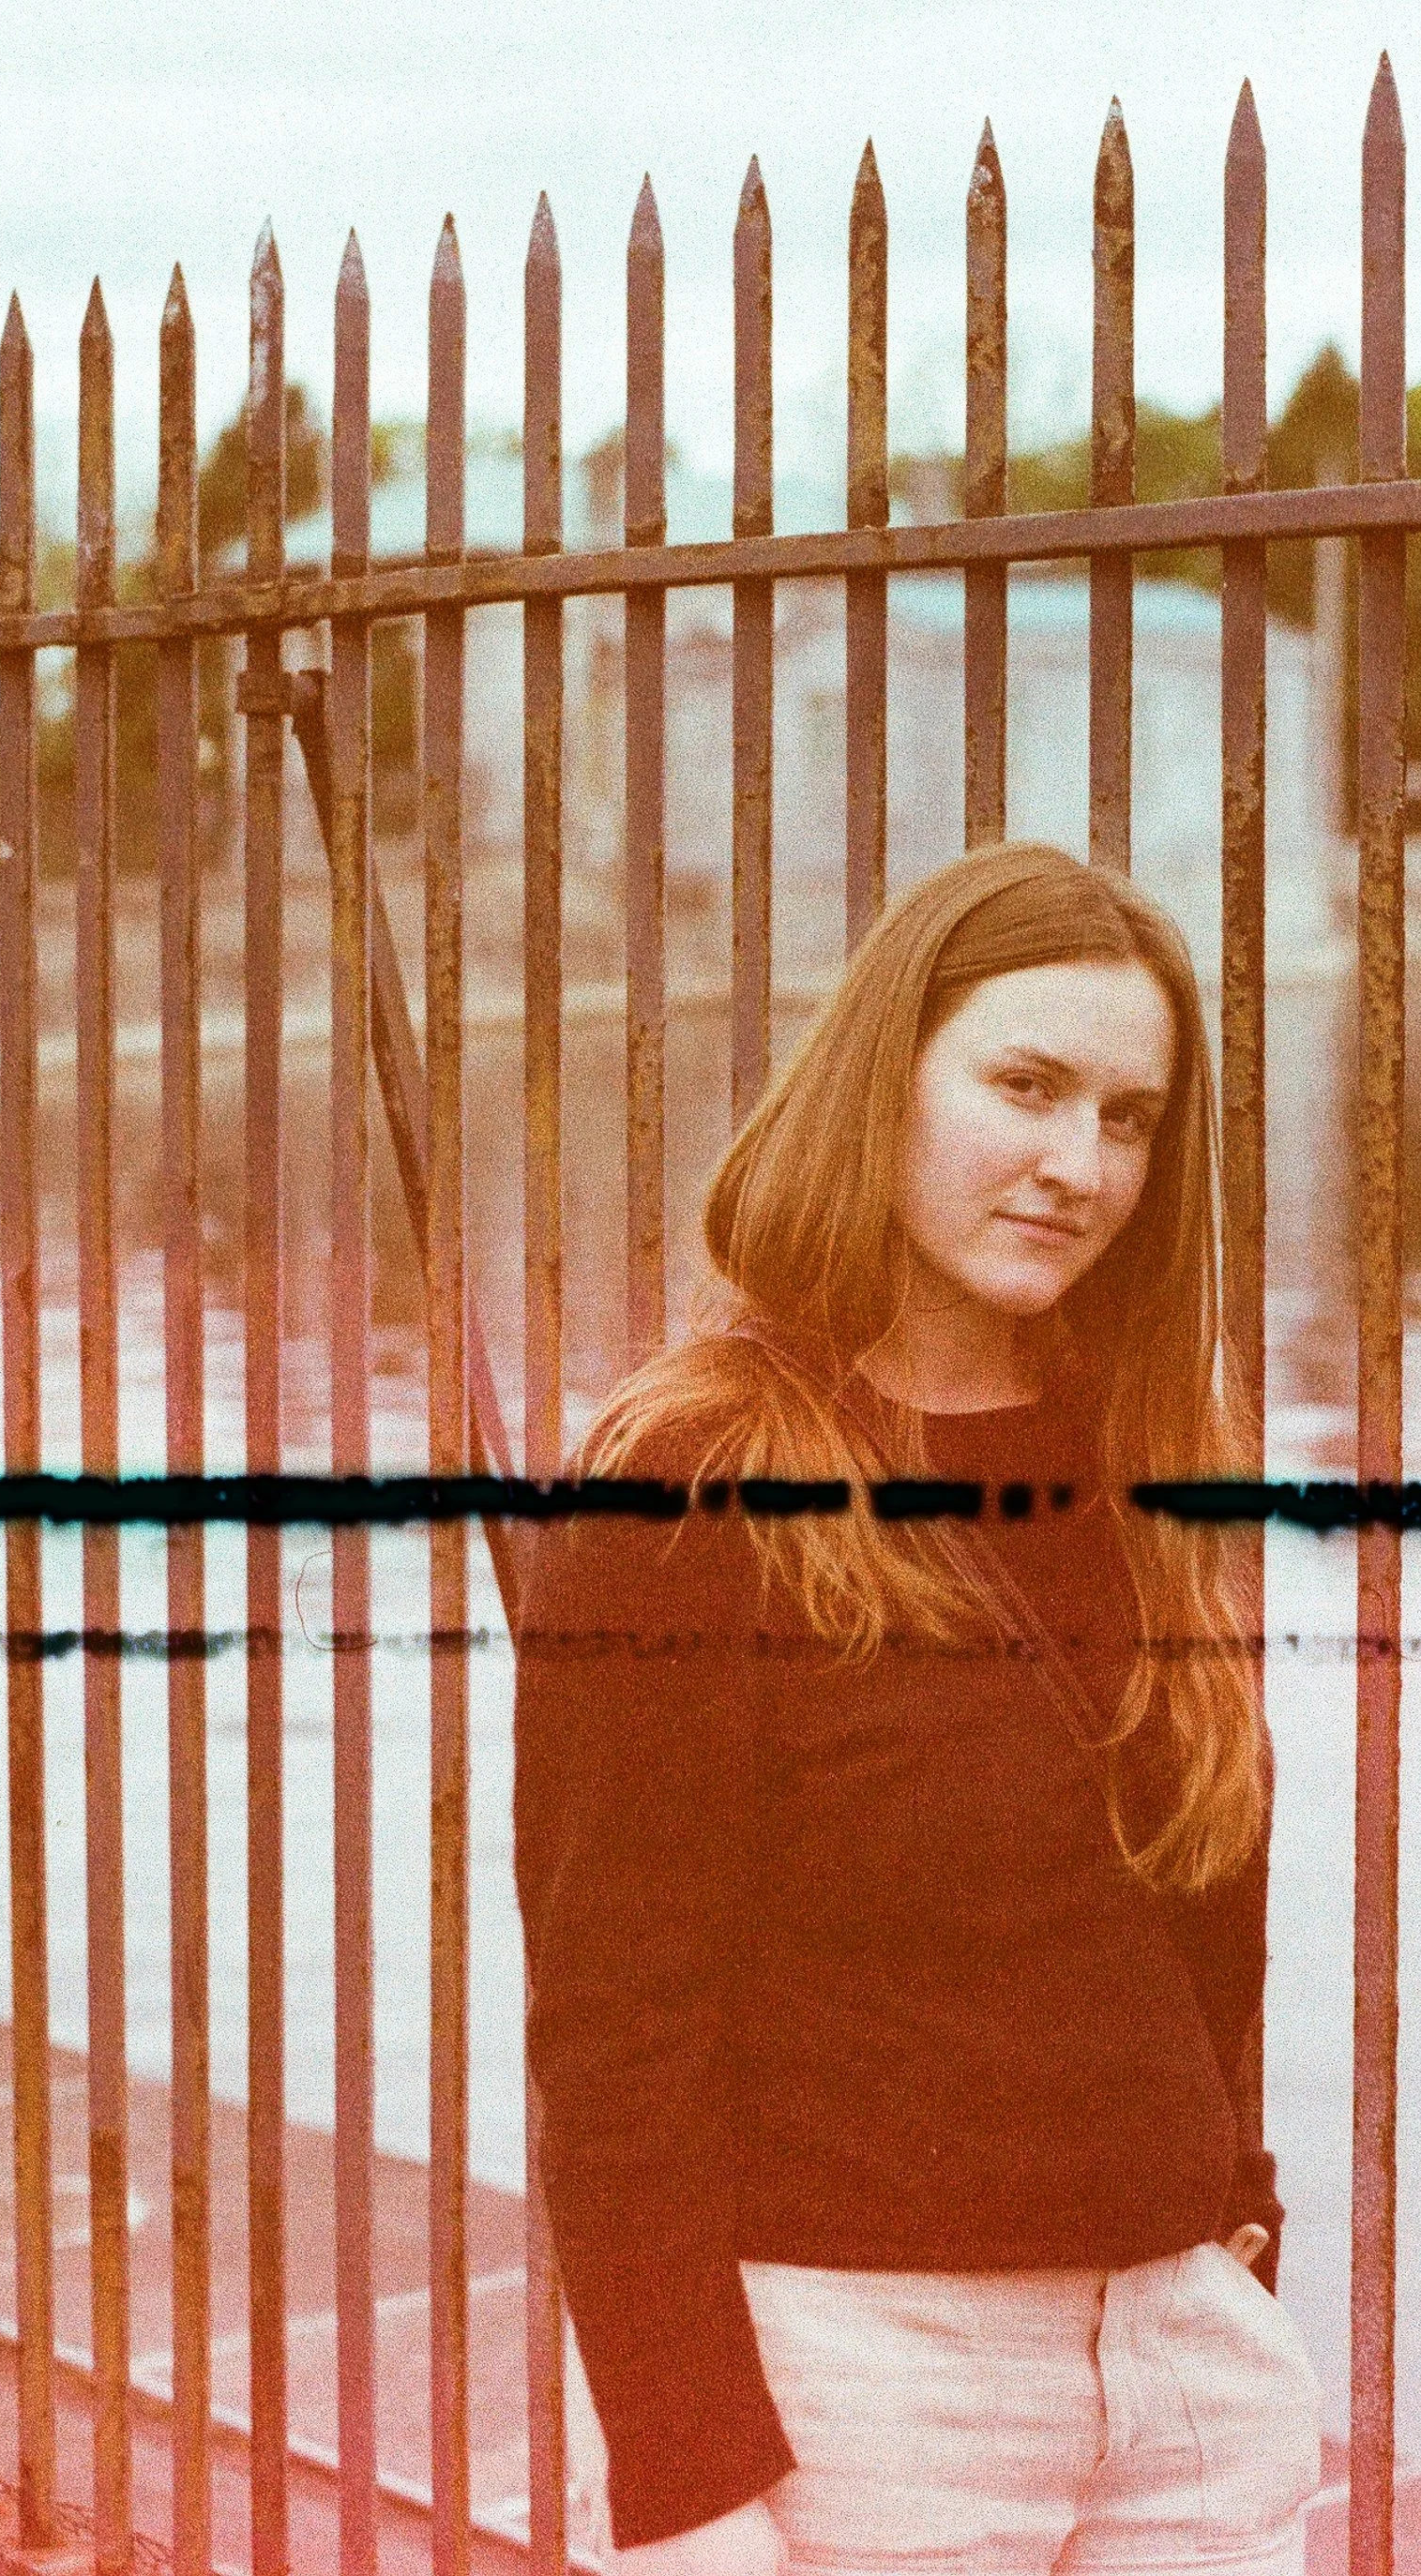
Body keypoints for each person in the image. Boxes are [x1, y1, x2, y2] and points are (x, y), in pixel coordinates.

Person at [512, 841, 1323, 2575]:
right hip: (862, 2401)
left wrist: (1234, 2221)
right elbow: (615, 2030)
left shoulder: (1157, 1468)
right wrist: (687, 2484)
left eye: (1129, 1113)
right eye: (1022, 1084)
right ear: (887, 1077)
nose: (1074, 1160)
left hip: (1187, 2376)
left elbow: (1199, 1914)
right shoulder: (690, 1482)